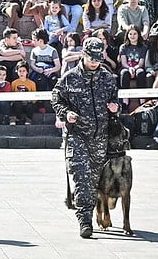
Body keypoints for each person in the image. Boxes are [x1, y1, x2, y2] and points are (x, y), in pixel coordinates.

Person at [53, 36, 120, 239]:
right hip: (77, 135)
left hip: (100, 138)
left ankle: (93, 213)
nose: (95, 62)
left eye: (98, 59)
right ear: (83, 54)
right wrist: (65, 114)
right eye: (92, 58)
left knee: (94, 182)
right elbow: (56, 97)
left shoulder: (108, 78)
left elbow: (115, 102)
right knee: (81, 178)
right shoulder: (70, 77)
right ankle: (84, 221)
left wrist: (115, 108)